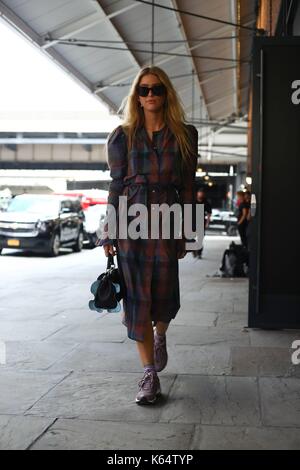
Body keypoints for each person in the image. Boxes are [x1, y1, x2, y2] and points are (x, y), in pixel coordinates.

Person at [98, 66, 198, 405]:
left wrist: (189, 233)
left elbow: (187, 186)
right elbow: (115, 184)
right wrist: (108, 231)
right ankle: (149, 375)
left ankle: (160, 335)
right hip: (131, 224)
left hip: (167, 223)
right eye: (144, 90)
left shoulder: (185, 134)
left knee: (164, 294)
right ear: (136, 96)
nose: (150, 95)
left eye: (156, 89)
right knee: (137, 298)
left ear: (166, 93)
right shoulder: (122, 136)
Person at [192, 187, 212, 259]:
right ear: (197, 193)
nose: (201, 194)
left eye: (202, 193)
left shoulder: (206, 202)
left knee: (200, 239)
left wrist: (207, 223)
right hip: (192, 221)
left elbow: (209, 214)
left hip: (201, 221)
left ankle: (199, 253)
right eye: (200, 193)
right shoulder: (193, 201)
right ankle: (194, 250)